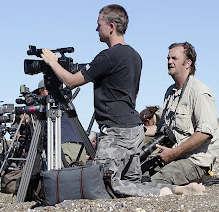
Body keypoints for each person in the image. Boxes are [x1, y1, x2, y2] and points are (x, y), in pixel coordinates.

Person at [40, 4, 204, 196]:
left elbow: (71, 81)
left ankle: (161, 193)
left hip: (117, 131)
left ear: (111, 27)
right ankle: (179, 190)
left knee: (101, 183)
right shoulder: (135, 56)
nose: (96, 29)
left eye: (98, 24)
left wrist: (52, 61)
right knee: (130, 183)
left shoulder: (108, 56)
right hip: (134, 130)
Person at [145, 42, 219, 185]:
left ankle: (197, 184)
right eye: (168, 58)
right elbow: (162, 129)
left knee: (153, 184)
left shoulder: (200, 91)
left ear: (188, 63)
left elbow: (205, 133)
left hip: (195, 162)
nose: (169, 62)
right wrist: (139, 130)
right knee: (134, 175)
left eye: (174, 58)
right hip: (173, 157)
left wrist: (173, 153)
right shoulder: (170, 92)